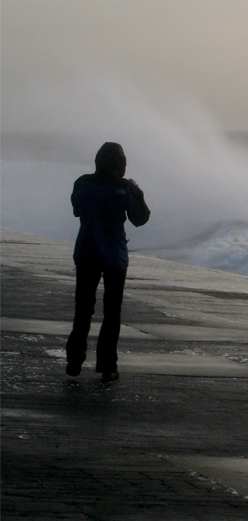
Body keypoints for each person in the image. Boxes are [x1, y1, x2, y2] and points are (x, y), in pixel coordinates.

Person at [66, 142, 150, 383]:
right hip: (114, 255)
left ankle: (74, 360)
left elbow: (76, 209)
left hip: (86, 251)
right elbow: (140, 219)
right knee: (112, 311)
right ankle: (107, 366)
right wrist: (138, 192)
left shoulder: (82, 183)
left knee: (83, 308)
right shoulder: (124, 189)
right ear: (121, 164)